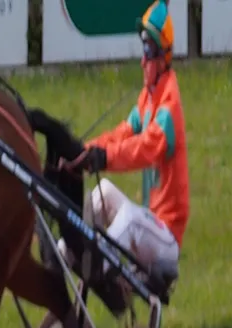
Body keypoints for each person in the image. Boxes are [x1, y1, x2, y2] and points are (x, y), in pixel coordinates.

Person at [60, 0, 188, 302]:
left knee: (129, 217)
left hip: (166, 236)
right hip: (150, 225)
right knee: (102, 192)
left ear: (161, 56)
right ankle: (64, 253)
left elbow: (143, 150)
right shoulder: (148, 98)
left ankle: (96, 265)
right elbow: (121, 134)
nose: (142, 61)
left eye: (146, 51)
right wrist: (83, 150)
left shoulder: (169, 107)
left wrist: (103, 159)